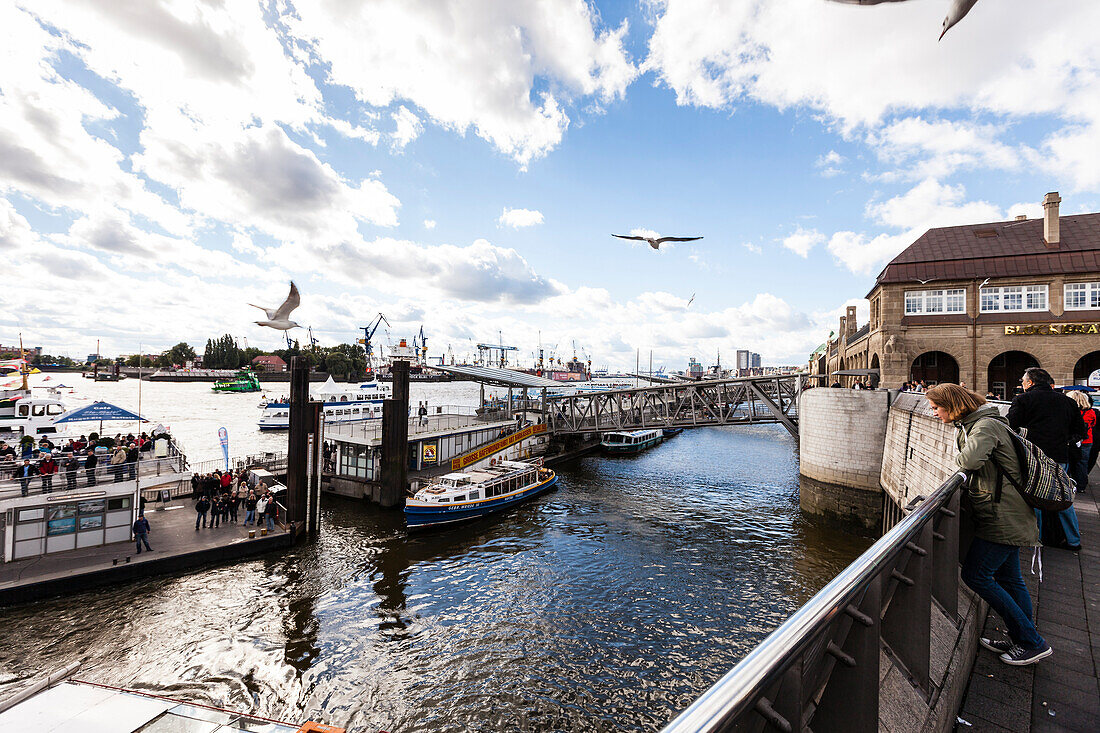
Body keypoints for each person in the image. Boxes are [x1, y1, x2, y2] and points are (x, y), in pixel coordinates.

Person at [926, 383, 1052, 666]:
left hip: (1003, 515)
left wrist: (960, 454)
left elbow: (968, 460)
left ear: (953, 405)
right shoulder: (982, 423)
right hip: (1008, 511)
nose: (932, 413)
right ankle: (1022, 636)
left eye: (936, 408)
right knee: (1010, 579)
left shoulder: (984, 427)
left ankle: (1032, 642)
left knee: (975, 576)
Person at [1007, 368, 1086, 551]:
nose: (1022, 385)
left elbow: (1010, 426)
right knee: (1063, 495)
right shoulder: (1068, 402)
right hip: (1060, 455)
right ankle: (1073, 540)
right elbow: (1080, 431)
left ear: (1030, 383)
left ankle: (1036, 538)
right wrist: (1065, 442)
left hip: (1034, 456)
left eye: (1024, 382)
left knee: (1034, 497)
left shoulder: (1023, 400)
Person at [1068, 391, 1094, 492]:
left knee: (1071, 462)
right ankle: (1082, 485)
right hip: (1087, 440)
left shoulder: (1073, 412)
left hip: (1074, 440)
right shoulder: (1091, 412)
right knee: (1083, 463)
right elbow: (1093, 423)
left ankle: (1071, 483)